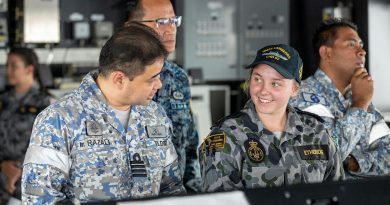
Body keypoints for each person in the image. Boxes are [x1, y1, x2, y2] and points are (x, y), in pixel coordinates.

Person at [21, 22, 185, 204]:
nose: (159, 84)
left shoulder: (155, 116)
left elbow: (173, 189)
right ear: (119, 79)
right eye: (152, 78)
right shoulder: (58, 120)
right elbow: (39, 199)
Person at [199, 44, 343, 192]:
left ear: (294, 89)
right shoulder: (226, 136)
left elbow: (337, 193)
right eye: (258, 79)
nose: (263, 90)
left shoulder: (316, 133)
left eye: (275, 83)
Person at [290, 18, 390, 177]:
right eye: (351, 44)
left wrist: (354, 163)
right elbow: (327, 157)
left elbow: (388, 157)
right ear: (326, 53)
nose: (362, 51)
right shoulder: (301, 95)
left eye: (361, 45)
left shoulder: (359, 96)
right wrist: (360, 103)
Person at [126, 0, 201, 192]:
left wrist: (193, 192)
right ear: (133, 28)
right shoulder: (116, 79)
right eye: (161, 22)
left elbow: (190, 144)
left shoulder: (178, 78)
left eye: (173, 20)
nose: (171, 29)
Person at [0, 48, 52, 205]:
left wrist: (17, 169)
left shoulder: (46, 104)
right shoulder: (3, 101)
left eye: (13, 66)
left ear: (29, 69)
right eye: (6, 65)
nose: (7, 70)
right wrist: (3, 165)